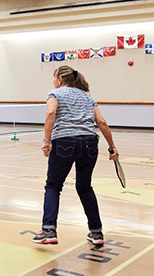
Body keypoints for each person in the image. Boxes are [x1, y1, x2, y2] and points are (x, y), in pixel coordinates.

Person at [33, 66, 118, 246]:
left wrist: (47, 140)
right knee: (85, 187)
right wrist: (112, 148)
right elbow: (101, 122)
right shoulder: (88, 97)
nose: (53, 81)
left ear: (61, 79)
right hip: (89, 143)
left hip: (64, 142)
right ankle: (96, 232)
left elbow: (50, 113)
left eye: (54, 77)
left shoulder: (55, 93)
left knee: (53, 186)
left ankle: (48, 230)